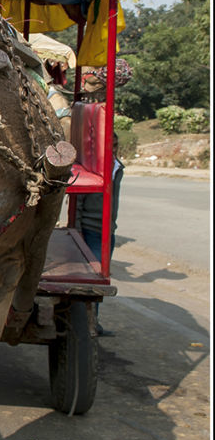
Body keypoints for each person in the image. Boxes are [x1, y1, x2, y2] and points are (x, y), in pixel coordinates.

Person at [77, 132, 124, 336]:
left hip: (107, 230)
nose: (112, 150)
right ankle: (88, 325)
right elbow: (77, 203)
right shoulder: (92, 168)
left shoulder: (117, 167)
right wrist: (77, 233)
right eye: (109, 145)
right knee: (94, 280)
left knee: (101, 277)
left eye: (115, 146)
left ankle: (92, 321)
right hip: (91, 229)